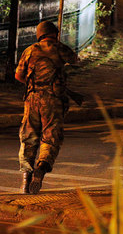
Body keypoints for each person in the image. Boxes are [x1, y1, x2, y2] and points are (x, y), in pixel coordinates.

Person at [15, 20, 78, 194]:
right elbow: (75, 60)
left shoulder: (29, 50)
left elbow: (18, 75)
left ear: (39, 34)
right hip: (53, 100)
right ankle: (41, 167)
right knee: (51, 136)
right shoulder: (59, 48)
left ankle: (25, 181)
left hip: (32, 99)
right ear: (55, 34)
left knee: (28, 137)